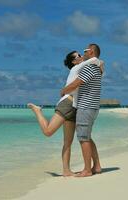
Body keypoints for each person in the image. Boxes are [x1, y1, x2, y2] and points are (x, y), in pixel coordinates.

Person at [28, 50, 103, 176]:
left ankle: (67, 171)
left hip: (76, 107)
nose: (81, 56)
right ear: (74, 62)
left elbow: (98, 65)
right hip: (67, 104)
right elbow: (96, 60)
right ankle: (38, 111)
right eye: (78, 55)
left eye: (81, 54)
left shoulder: (83, 68)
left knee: (72, 141)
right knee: (48, 132)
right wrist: (94, 58)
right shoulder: (76, 68)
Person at [61, 43, 102, 177]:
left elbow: (76, 83)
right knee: (87, 137)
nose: (83, 53)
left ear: (91, 52)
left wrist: (63, 91)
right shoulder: (96, 66)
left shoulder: (89, 67)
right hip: (92, 107)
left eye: (85, 51)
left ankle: (87, 170)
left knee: (83, 138)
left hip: (85, 107)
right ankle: (96, 166)